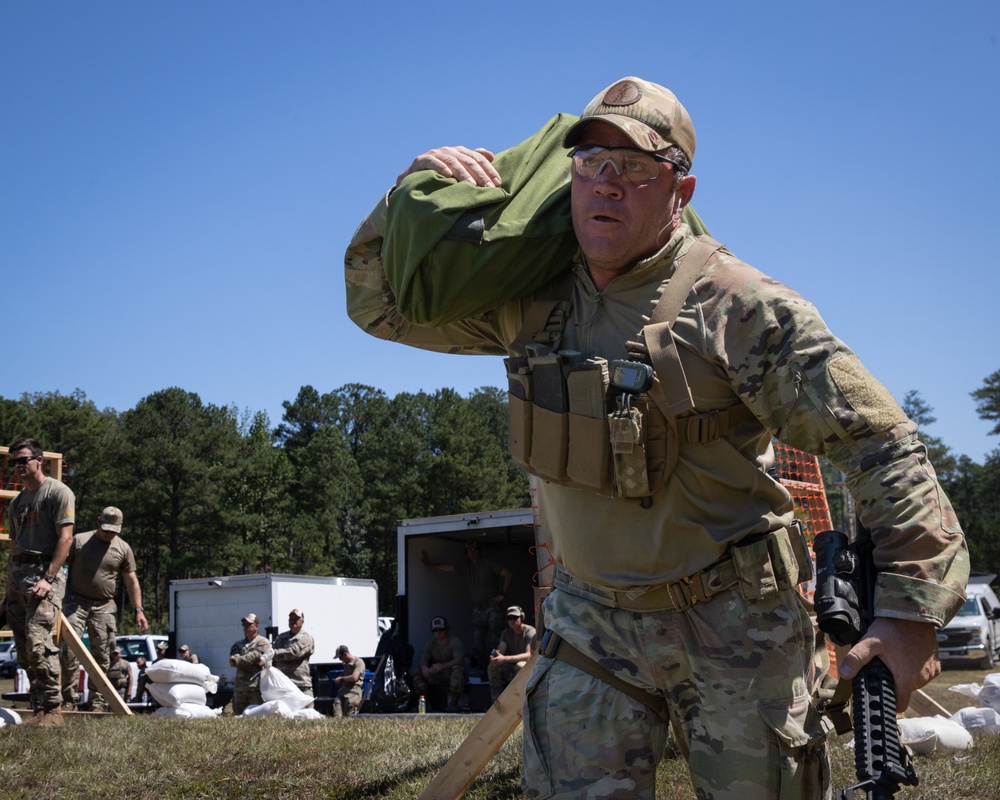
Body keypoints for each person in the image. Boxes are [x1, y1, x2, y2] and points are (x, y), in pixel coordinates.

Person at [345, 76, 969, 798]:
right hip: (591, 621)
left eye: (637, 168)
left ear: (683, 190)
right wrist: (413, 196)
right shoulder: (529, 300)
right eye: (592, 165)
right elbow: (380, 306)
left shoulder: (736, 304)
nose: (608, 186)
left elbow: (880, 445)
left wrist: (909, 615)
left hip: (735, 621)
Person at [3, 438, 75, 727]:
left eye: (23, 460)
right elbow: (15, 546)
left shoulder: (58, 492)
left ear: (39, 460)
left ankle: (53, 709)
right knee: (22, 649)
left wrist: (49, 578)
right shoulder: (18, 502)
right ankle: (38, 710)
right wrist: (7, 594)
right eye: (14, 462)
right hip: (18, 575)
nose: (19, 467)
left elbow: (66, 538)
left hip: (44, 571)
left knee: (38, 643)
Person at [60, 506, 148, 711]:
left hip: (104, 606)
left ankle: (97, 703)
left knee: (102, 655)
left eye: (113, 531)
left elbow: (132, 581)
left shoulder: (123, 548)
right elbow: (62, 568)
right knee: (69, 651)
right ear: (98, 521)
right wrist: (58, 596)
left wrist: (139, 610)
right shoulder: (80, 541)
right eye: (106, 529)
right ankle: (68, 701)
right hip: (76, 602)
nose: (109, 534)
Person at [420, 539, 512, 671]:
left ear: (479, 551)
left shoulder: (488, 563)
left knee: (496, 641)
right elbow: (449, 567)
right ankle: (483, 670)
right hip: (478, 610)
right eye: (469, 551)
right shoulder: (466, 566)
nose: (472, 553)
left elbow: (508, 573)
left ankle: (498, 669)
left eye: (474, 550)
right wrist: (430, 565)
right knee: (477, 643)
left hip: (493, 609)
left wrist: (502, 594)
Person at [411, 615, 466, 712]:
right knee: (417, 673)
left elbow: (460, 659)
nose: (438, 633)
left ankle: (453, 704)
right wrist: (424, 668)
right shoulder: (430, 644)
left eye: (441, 630)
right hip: (436, 673)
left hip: (449, 672)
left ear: (446, 629)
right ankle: (425, 703)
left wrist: (443, 666)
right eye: (435, 631)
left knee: (458, 670)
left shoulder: (454, 642)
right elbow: (424, 659)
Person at [487, 605, 537, 704]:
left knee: (520, 665)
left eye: (515, 618)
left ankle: (520, 702)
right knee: (493, 666)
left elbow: (528, 656)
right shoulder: (506, 633)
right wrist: (496, 658)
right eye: (509, 618)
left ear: (521, 618)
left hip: (529, 668)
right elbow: (501, 651)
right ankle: (496, 702)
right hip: (511, 668)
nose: (512, 621)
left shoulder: (530, 631)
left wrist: (505, 659)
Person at [229, 612, 270, 715]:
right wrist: (251, 661)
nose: (246, 627)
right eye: (244, 625)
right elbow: (233, 659)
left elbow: (254, 655)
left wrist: (239, 660)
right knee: (239, 717)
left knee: (257, 717)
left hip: (255, 689)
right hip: (240, 688)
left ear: (256, 626)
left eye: (249, 624)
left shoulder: (263, 642)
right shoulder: (238, 644)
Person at [271, 608, 315, 696]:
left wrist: (276, 653)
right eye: (291, 619)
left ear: (302, 622)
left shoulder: (306, 638)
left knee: (305, 710)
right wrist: (273, 653)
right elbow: (271, 653)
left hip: (301, 685)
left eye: (296, 619)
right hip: (283, 685)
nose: (293, 621)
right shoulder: (281, 637)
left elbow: (294, 653)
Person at [331, 644, 366, 717]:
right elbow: (346, 673)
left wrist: (341, 678)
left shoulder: (358, 662)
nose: (340, 660)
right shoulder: (345, 664)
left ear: (345, 654)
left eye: (340, 657)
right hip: (343, 690)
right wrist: (340, 676)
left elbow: (354, 677)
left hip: (354, 691)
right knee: (337, 707)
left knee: (349, 716)